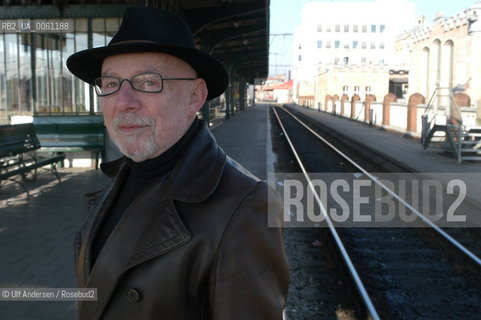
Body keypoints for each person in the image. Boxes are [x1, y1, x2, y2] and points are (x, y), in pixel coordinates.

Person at [66, 6, 289, 320]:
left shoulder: (245, 206)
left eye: (147, 82)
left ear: (195, 97)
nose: (123, 101)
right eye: (110, 84)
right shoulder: (120, 178)